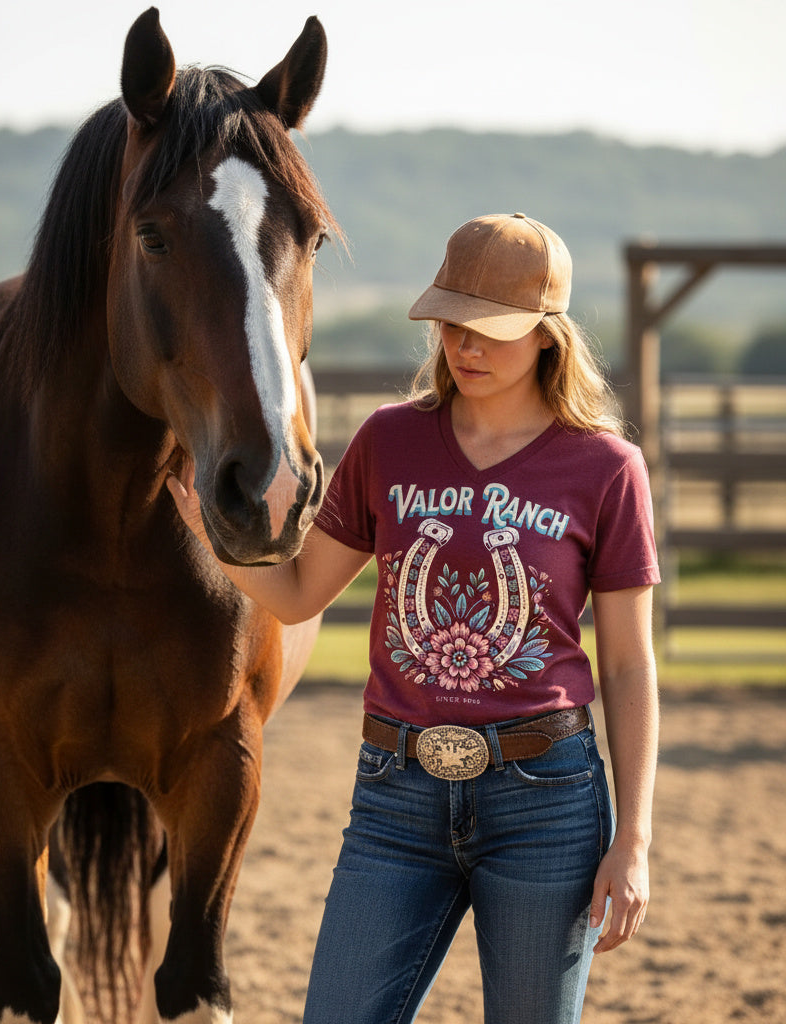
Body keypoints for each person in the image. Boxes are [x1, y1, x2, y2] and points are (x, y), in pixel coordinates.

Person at [167, 212, 660, 1024]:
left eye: (488, 330)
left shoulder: (605, 469)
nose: (464, 346)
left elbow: (630, 667)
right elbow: (297, 596)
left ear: (546, 334)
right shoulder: (390, 442)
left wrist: (633, 841)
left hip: (546, 802)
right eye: (450, 323)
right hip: (396, 799)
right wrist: (212, 535)